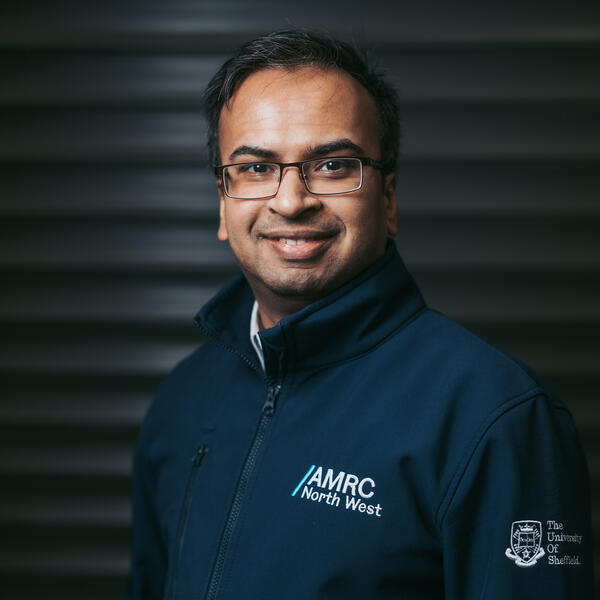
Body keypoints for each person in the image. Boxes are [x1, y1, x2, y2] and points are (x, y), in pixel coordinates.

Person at [128, 29, 595, 599]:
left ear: (389, 199)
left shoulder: (496, 416)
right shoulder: (183, 400)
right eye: (255, 169)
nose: (291, 200)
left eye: (332, 165)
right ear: (222, 204)